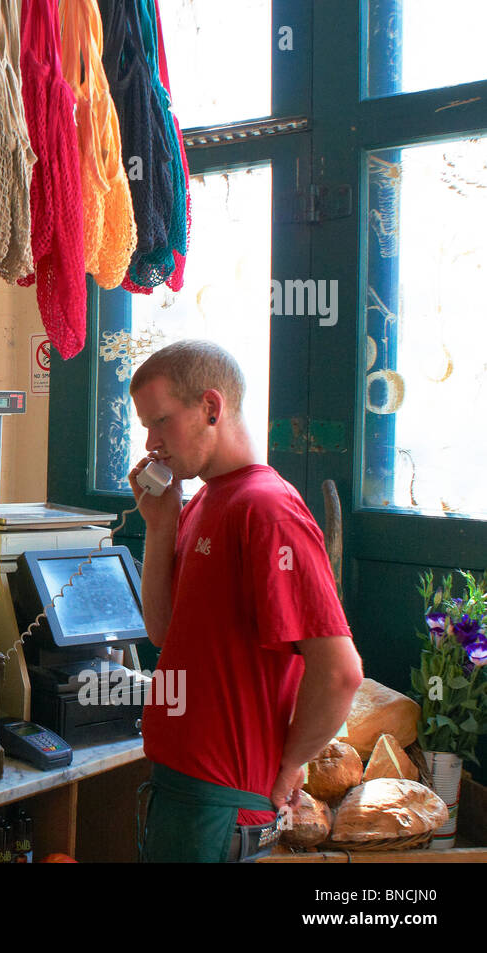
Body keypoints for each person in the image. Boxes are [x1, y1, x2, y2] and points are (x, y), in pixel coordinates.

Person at [128, 340, 363, 863]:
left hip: (222, 803)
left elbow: (340, 671)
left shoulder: (267, 509)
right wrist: (162, 523)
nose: (151, 442)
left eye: (161, 421)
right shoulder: (208, 498)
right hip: (181, 788)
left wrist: (290, 765)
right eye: (146, 426)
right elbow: (164, 632)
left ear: (211, 407)